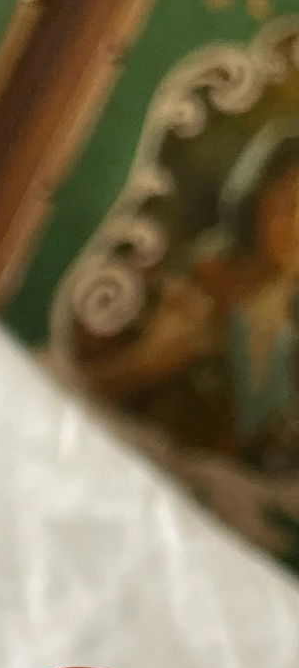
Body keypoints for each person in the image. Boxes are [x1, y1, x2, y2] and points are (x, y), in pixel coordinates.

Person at [81, 119, 299, 469]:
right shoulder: (186, 290)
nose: (296, 226)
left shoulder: (291, 322)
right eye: (287, 203)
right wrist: (150, 361)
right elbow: (75, 389)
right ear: (256, 198)